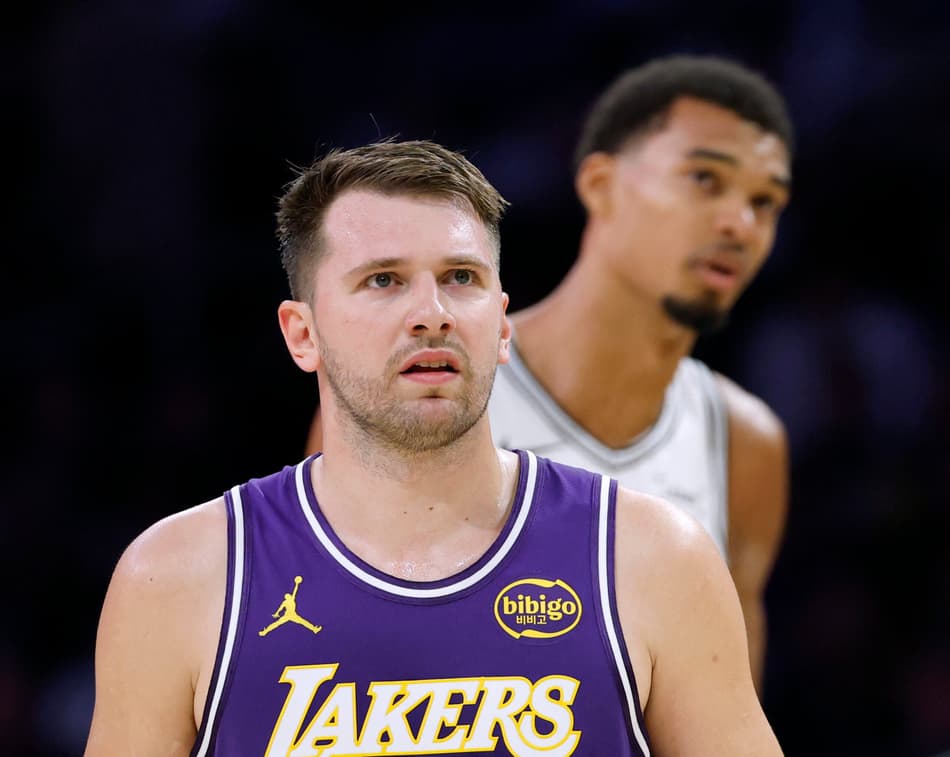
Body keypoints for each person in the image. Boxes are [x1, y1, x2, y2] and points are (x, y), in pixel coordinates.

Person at [85, 139, 781, 755]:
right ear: (303, 334)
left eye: (461, 278)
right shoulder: (177, 579)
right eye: (383, 280)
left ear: (502, 325)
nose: (433, 313)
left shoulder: (653, 556)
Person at [306, 55, 794, 691]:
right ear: (600, 184)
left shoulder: (744, 441)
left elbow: (727, 710)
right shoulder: (415, 387)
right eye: (705, 179)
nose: (739, 223)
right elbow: (329, 659)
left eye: (766, 202)